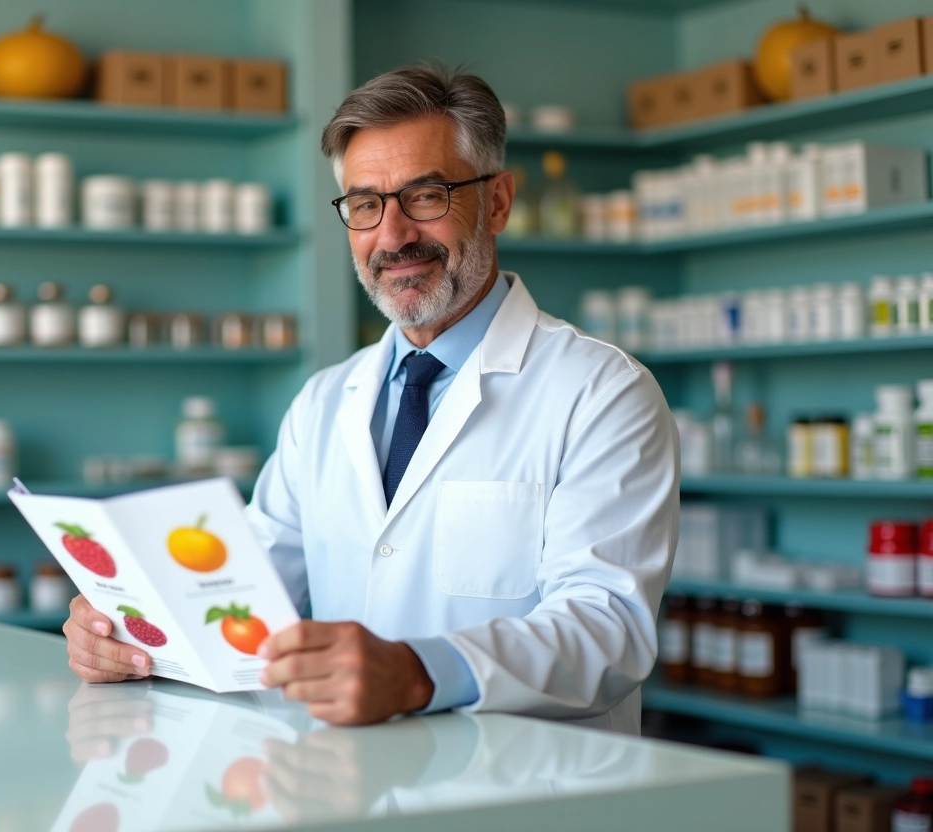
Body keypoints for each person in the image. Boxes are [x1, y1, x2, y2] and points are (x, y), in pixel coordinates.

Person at [63, 62, 679, 733]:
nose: (392, 236)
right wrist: (129, 627)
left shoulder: (600, 392)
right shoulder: (325, 402)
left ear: (497, 201)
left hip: (523, 790)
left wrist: (418, 672)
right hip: (346, 784)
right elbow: (248, 591)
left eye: (427, 196)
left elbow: (608, 629)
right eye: (365, 204)